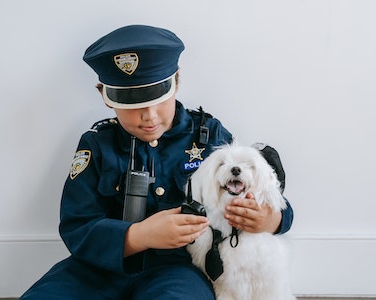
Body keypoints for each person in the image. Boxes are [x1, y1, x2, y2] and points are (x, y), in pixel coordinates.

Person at [21, 24, 293, 299]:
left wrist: (271, 220)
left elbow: (264, 192)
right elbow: (76, 225)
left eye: (158, 98)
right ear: (104, 94)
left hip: (178, 269)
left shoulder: (209, 137)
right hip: (96, 269)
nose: (149, 116)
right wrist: (138, 235)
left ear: (176, 81)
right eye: (132, 102)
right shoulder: (97, 144)